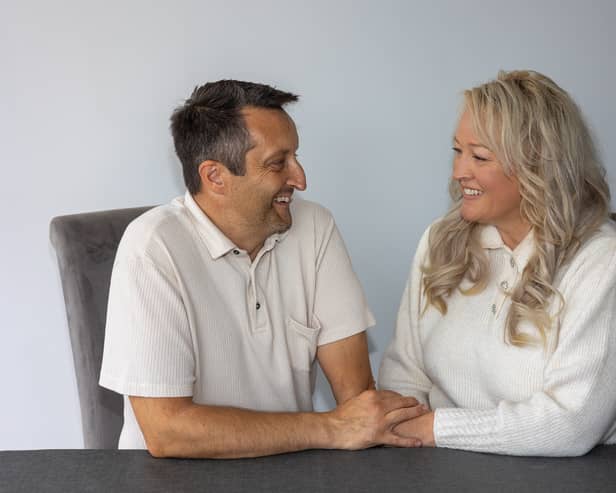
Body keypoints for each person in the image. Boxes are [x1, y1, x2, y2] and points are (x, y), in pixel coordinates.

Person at [99, 80, 425, 458]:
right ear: (215, 177)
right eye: (277, 164)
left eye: (296, 157)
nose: (300, 179)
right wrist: (330, 427)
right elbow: (167, 431)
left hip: (294, 474)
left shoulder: (315, 227)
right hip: (176, 481)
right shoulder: (152, 247)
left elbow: (358, 402)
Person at [378, 70, 616, 456]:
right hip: (433, 470)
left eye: (480, 156)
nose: (458, 172)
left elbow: (571, 424)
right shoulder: (440, 240)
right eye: (457, 150)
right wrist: (413, 437)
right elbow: (404, 371)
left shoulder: (601, 261)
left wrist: (436, 427)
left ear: (538, 166)